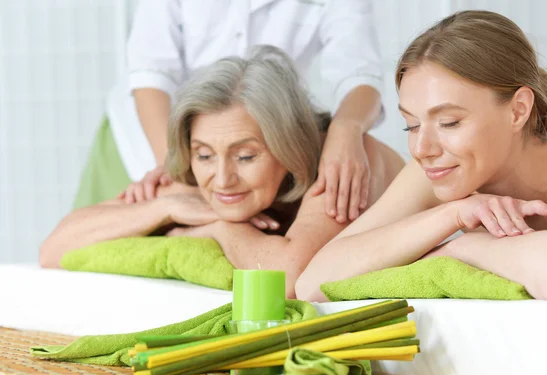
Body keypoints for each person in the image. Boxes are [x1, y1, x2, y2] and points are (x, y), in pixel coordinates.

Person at [40, 46, 405, 298]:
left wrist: (215, 226)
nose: (222, 178)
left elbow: (287, 280)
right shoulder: (201, 174)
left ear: (290, 147)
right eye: (203, 155)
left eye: (245, 157)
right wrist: (162, 209)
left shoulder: (339, 163)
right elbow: (55, 248)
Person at [296, 10, 547, 302]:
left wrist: (463, 248)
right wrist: (451, 215)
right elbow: (312, 284)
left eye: (449, 123)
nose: (421, 149)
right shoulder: (441, 172)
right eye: (411, 126)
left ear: (518, 110)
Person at [74, 0, 386, 224]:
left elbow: (359, 76)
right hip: (152, 136)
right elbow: (151, 76)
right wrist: (178, 168)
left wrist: (346, 131)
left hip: (262, 148)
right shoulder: (184, 160)